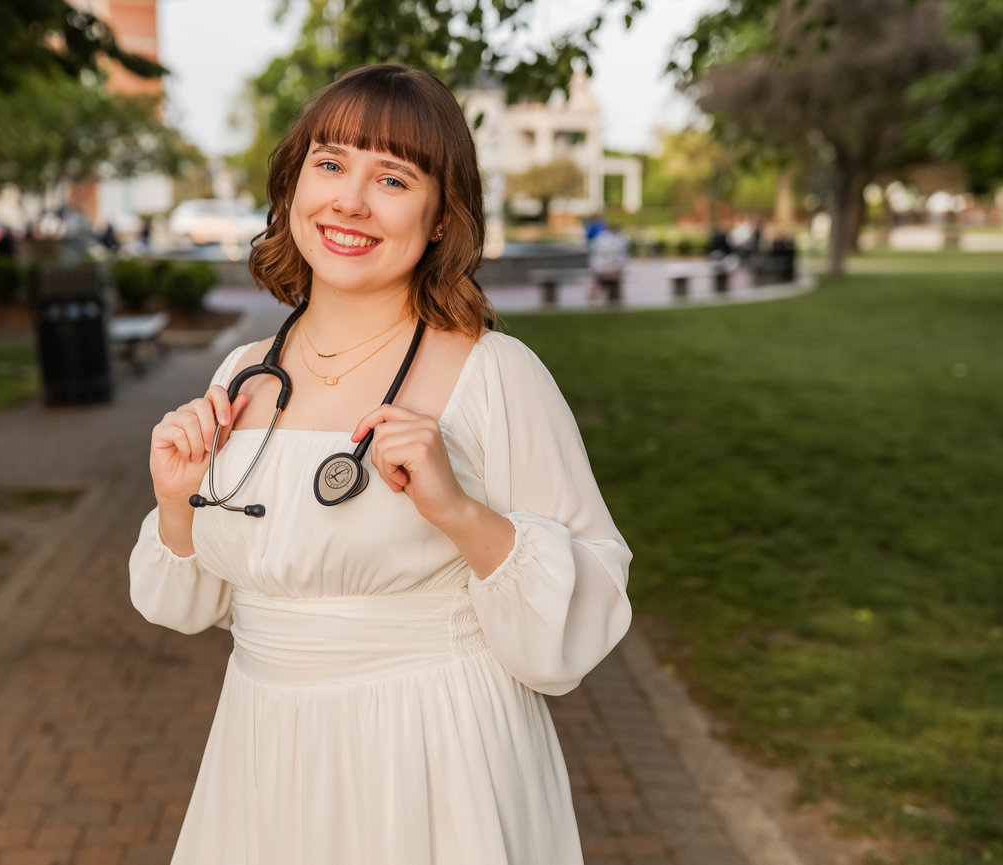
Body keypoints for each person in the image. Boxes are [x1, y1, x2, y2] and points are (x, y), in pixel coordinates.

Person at [129, 65, 631, 865]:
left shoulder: (493, 373)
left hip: (433, 755)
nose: (350, 201)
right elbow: (187, 606)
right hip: (263, 754)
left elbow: (588, 602)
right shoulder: (243, 372)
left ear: (440, 217)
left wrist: (458, 510)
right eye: (329, 165)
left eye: (391, 177)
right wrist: (175, 501)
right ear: (294, 184)